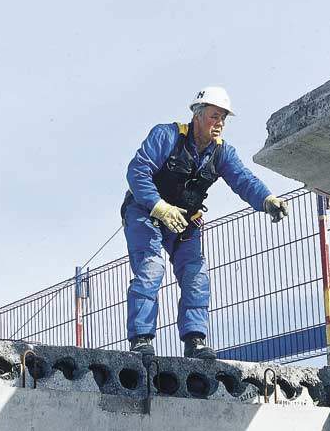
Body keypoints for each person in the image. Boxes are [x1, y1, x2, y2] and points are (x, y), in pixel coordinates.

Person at [121, 86, 289, 359]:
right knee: (152, 267)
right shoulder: (167, 136)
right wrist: (159, 206)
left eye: (223, 118)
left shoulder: (222, 153)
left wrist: (267, 199)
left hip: (186, 222)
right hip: (145, 212)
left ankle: (195, 341)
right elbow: (137, 171)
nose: (220, 123)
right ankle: (141, 340)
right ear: (197, 116)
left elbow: (244, 180)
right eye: (214, 116)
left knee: (196, 275)